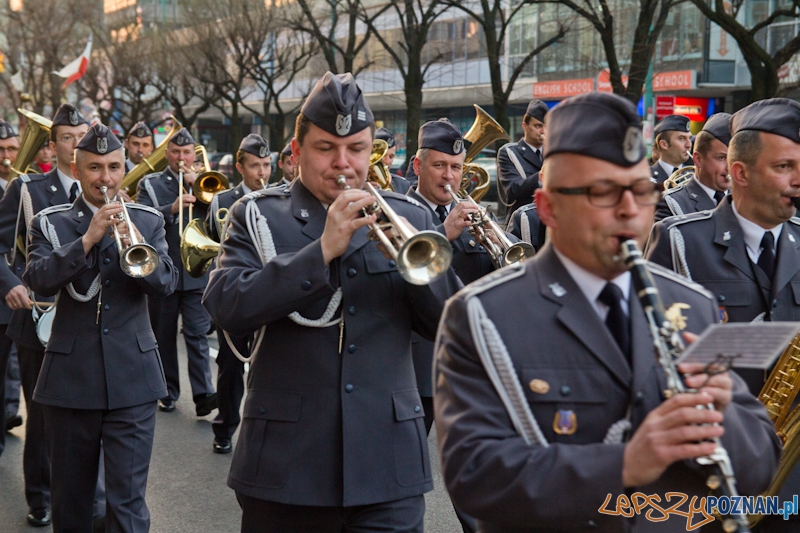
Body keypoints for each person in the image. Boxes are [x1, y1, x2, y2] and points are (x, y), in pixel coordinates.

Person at [434, 92, 780, 532]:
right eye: (602, 192)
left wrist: (723, 412)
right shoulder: (481, 314)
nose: (629, 210)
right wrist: (625, 464)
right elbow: (475, 475)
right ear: (548, 207)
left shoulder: (692, 304)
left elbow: (760, 462)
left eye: (641, 191)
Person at [203, 71, 460, 533]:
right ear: (297, 151)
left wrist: (414, 272)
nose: (343, 163)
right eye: (325, 148)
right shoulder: (258, 214)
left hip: (388, 466)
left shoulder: (411, 215)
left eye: (356, 149)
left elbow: (452, 326)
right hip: (286, 466)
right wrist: (320, 251)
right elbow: (226, 305)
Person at [645, 98, 800, 532]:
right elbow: (648, 358)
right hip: (707, 474)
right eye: (785, 167)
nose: (798, 179)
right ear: (740, 173)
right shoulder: (679, 240)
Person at [24, 123, 177, 533]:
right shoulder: (50, 222)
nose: (105, 178)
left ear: (124, 169)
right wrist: (87, 240)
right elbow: (38, 279)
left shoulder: (148, 219)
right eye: (94, 168)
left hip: (134, 379)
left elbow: (166, 284)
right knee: (72, 503)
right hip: (70, 381)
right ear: (77, 170)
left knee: (127, 506)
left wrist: (137, 241)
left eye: (113, 167)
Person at [0, 103, 90, 527]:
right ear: (51, 147)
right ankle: (40, 496)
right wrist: (10, 283)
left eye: (80, 138)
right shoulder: (27, 189)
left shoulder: (106, 189)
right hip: (39, 314)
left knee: (85, 413)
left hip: (88, 319)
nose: (74, 146)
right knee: (42, 413)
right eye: (66, 139)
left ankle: (84, 493)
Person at [136, 128, 217, 416]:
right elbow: (141, 220)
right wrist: (170, 208)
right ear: (166, 154)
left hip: (197, 273)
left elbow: (222, 219)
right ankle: (168, 392)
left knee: (197, 334)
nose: (181, 157)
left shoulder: (207, 182)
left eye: (186, 152)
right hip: (164, 271)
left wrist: (203, 192)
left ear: (194, 155)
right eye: (175, 152)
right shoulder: (151, 183)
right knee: (164, 335)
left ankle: (203, 394)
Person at [206, 134, 270, 454]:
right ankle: (225, 426)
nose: (262, 172)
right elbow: (210, 241)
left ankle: (263, 431)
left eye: (266, 165)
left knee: (270, 365)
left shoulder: (277, 198)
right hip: (234, 291)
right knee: (230, 363)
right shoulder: (222, 201)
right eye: (255, 166)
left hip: (268, 290)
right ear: (240, 167)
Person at [654, 113, 732, 222]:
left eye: (733, 158)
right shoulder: (671, 204)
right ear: (698, 159)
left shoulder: (743, 200)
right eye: (721, 158)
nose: (730, 167)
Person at [0, 118, 20, 457]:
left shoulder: (29, 187)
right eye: (0, 149)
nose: (7, 156)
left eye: (12, 149)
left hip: (30, 292)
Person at [497, 100, 548, 224]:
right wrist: (543, 173)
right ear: (525, 126)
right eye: (538, 126)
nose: (543, 131)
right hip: (522, 223)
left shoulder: (551, 151)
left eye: (547, 126)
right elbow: (512, 189)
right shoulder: (509, 152)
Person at [650, 114, 692, 188]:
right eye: (681, 138)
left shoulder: (695, 176)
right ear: (664, 144)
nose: (689, 145)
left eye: (690, 138)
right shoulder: (646, 176)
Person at [374, 127, 411, 194]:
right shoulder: (359, 185)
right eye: (382, 156)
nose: (387, 161)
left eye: (391, 157)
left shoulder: (403, 185)